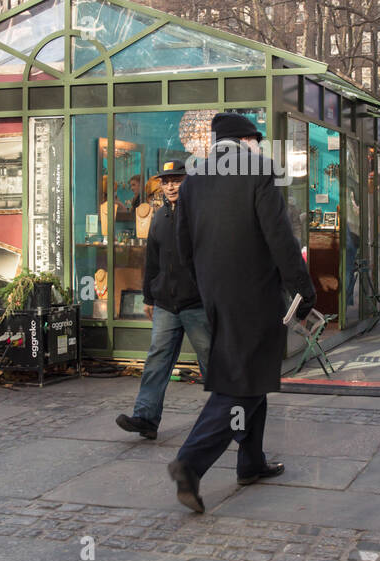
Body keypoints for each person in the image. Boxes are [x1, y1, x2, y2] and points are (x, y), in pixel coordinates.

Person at [168, 113, 315, 513]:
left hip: (216, 295)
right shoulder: (258, 171)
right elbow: (280, 236)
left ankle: (250, 461)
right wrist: (303, 287)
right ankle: (190, 461)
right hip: (255, 294)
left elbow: (183, 246)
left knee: (250, 370)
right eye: (258, 140)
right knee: (244, 382)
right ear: (247, 139)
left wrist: (205, 285)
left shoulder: (194, 179)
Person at [116, 160, 211, 440]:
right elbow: (152, 262)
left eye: (176, 180)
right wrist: (148, 297)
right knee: (157, 361)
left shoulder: (200, 214)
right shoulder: (158, 217)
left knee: (211, 363)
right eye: (166, 181)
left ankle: (229, 417)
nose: (170, 185)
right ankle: (145, 418)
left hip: (197, 304)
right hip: (166, 305)